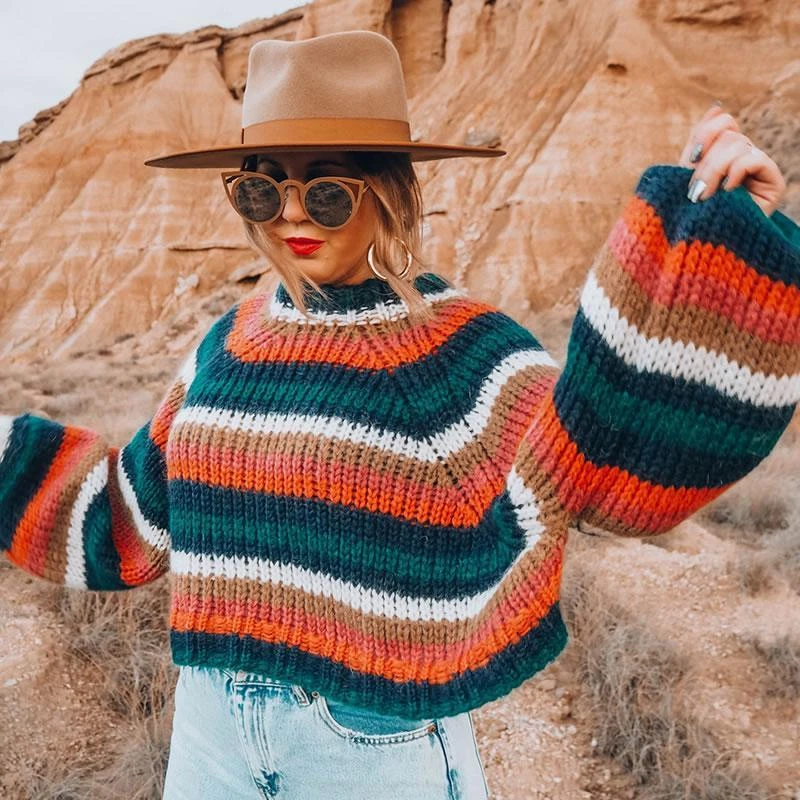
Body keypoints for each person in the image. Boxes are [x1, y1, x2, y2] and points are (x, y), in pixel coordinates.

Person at [1, 29, 798, 800]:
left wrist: (720, 246)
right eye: (260, 184)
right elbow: (130, 515)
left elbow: (604, 466)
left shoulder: (461, 353)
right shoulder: (228, 342)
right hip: (209, 735)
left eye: (325, 188)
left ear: (389, 188)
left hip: (369, 749)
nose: (289, 214)